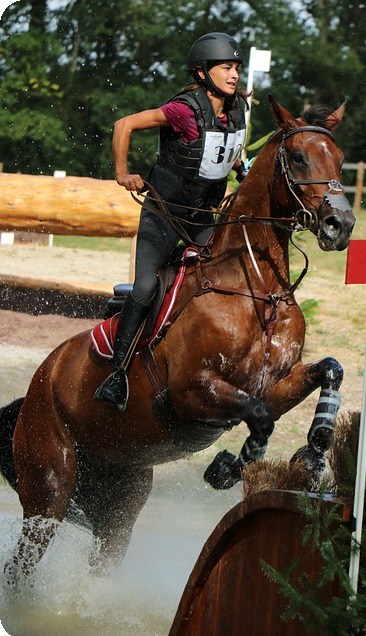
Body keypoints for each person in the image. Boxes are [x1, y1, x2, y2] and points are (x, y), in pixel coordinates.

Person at [94, 32, 249, 412]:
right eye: (226, 67)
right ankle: (117, 373)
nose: (233, 74)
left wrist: (241, 167)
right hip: (163, 216)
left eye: (236, 68)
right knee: (146, 287)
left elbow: (224, 150)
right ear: (202, 72)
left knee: (227, 276)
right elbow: (123, 125)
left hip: (202, 217)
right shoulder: (183, 109)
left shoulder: (237, 109)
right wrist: (122, 172)